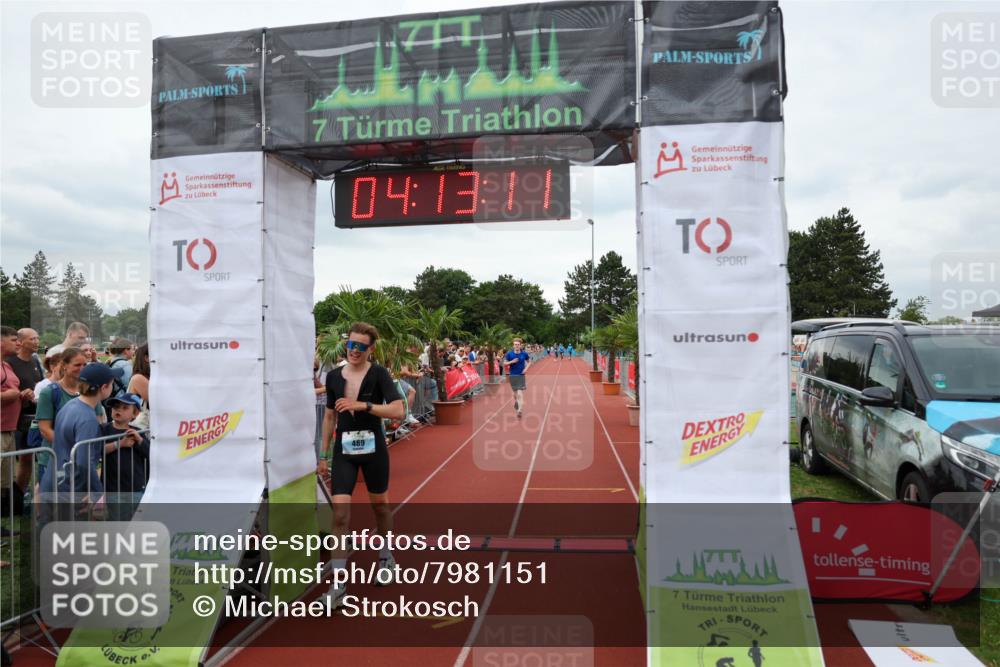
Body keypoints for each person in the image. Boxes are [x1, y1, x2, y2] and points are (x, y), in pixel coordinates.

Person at [317, 322, 405, 608]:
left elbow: (398, 410)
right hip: (344, 451)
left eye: (360, 346)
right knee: (340, 515)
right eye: (351, 344)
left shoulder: (379, 374)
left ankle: (386, 558)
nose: (354, 350)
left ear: (371, 349)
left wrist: (363, 406)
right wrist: (323, 455)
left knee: (380, 506)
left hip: (374, 449)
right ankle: (339, 584)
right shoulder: (332, 377)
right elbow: (329, 416)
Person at [38, 362, 122, 508]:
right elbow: (84, 461)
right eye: (112, 383)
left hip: (54, 480)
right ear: (104, 387)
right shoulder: (87, 418)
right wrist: (97, 493)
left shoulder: (70, 405)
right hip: (69, 488)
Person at [4, 328, 43, 495]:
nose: (36, 342)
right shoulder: (10, 362)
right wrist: (16, 394)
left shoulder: (34, 361)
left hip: (31, 416)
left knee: (28, 460)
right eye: (32, 339)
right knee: (23, 458)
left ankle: (18, 497)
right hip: (15, 420)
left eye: (37, 338)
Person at [100, 393, 149, 520]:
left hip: (136, 488)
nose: (118, 410)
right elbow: (96, 451)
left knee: (137, 523)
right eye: (116, 406)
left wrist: (139, 440)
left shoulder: (138, 432)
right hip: (114, 490)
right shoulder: (104, 430)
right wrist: (119, 444)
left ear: (135, 413)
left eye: (125, 407)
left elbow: (150, 454)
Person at [1, 327, 27, 510]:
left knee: (4, 480)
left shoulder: (7, 365)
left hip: (9, 429)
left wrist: (21, 395)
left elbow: (12, 391)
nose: (18, 343)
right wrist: (7, 396)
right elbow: (7, 393)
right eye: (13, 339)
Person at [503, 338, 531, 418]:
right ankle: (516, 401)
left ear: (520, 345)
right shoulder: (509, 354)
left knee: (519, 393)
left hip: (521, 376)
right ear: (513, 345)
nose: (517, 346)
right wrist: (511, 362)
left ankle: (519, 410)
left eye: (518, 344)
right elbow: (504, 363)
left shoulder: (524, 354)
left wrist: (526, 369)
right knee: (515, 394)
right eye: (515, 344)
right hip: (512, 376)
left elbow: (529, 362)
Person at [126, 344, 150, 430]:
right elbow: (156, 400)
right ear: (146, 358)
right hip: (139, 427)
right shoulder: (138, 378)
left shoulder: (146, 376)